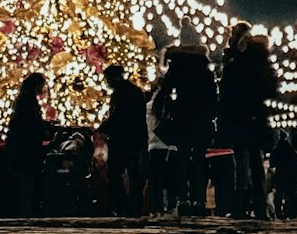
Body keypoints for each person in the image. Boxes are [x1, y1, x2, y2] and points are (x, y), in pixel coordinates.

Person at [152, 24, 217, 216]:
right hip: (201, 118)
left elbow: (165, 91)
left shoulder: (177, 65)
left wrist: (164, 110)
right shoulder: (204, 68)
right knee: (199, 160)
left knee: (181, 159)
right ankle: (200, 199)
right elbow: (212, 95)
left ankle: (183, 198)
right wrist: (211, 115)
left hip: (181, 115)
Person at [217, 26, 277, 219]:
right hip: (256, 117)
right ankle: (260, 206)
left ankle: (239, 205)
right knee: (256, 162)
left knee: (241, 163)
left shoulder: (235, 64)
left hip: (237, 118)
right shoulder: (263, 66)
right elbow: (272, 91)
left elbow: (225, 93)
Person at [101, 64, 149, 217]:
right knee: (134, 174)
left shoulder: (120, 93)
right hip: (136, 139)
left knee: (114, 173)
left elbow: (119, 117)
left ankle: (123, 206)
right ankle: (135, 206)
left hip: (122, 140)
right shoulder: (136, 91)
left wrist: (104, 127)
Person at [4, 72, 49, 217]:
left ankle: (25, 210)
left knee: (25, 180)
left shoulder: (23, 100)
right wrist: (46, 127)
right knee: (27, 180)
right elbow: (31, 124)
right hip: (25, 147)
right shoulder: (28, 102)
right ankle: (26, 212)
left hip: (21, 145)